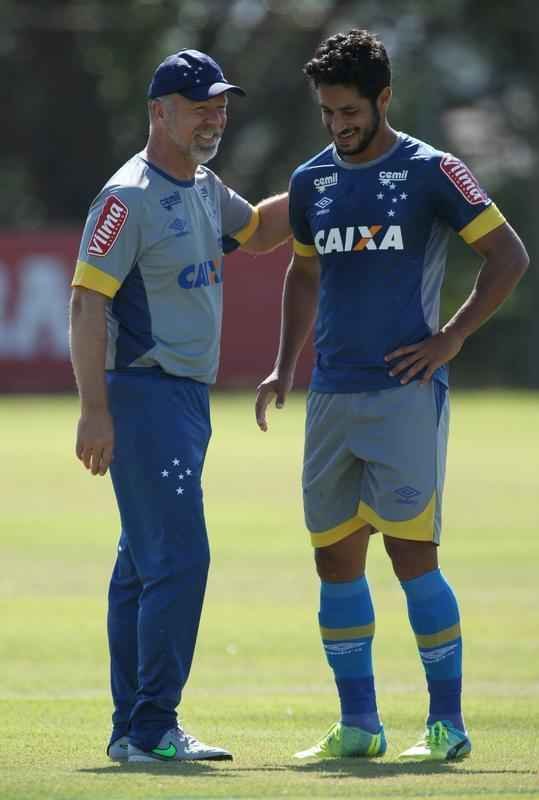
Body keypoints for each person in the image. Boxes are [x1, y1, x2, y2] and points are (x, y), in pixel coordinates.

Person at [255, 29, 528, 762]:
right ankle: (359, 726)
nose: (337, 125)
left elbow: (507, 254)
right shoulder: (313, 181)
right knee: (333, 561)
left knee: (413, 556)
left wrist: (453, 336)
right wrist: (285, 365)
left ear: (382, 99)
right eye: (326, 113)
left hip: (405, 394)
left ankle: (446, 725)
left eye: (348, 110)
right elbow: (303, 273)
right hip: (330, 397)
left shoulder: (433, 170)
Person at [70, 49, 289, 764]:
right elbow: (85, 301)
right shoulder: (126, 195)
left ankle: (130, 729)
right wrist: (94, 410)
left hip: (183, 400)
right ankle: (151, 727)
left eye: (220, 104)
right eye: (200, 104)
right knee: (180, 559)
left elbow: (254, 231)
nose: (215, 116)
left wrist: (325, 185)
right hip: (143, 395)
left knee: (142, 563)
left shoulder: (199, 185)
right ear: (158, 112)